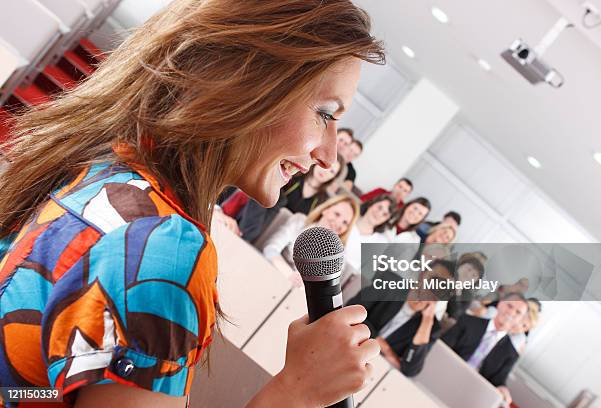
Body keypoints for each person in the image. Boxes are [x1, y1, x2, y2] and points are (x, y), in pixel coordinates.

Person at [0, 1, 385, 406]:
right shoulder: (162, 245)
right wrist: (296, 391)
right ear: (247, 80)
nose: (329, 155)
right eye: (325, 113)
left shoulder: (102, 169)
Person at [442, 293, 529, 405]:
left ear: (520, 320)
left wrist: (503, 389)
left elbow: (498, 380)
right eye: (510, 306)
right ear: (500, 304)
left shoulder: (511, 354)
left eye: (518, 313)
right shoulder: (468, 322)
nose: (511, 313)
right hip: (447, 373)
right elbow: (443, 346)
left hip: (471, 394)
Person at [262, 194, 360, 283]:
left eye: (345, 223)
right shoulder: (299, 221)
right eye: (337, 214)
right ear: (325, 209)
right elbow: (270, 249)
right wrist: (289, 275)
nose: (338, 223)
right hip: (272, 272)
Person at [343, 194, 396, 271]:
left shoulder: (380, 243)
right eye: (379, 207)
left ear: (386, 220)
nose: (379, 214)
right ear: (371, 203)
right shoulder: (348, 218)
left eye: (385, 214)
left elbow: (366, 274)